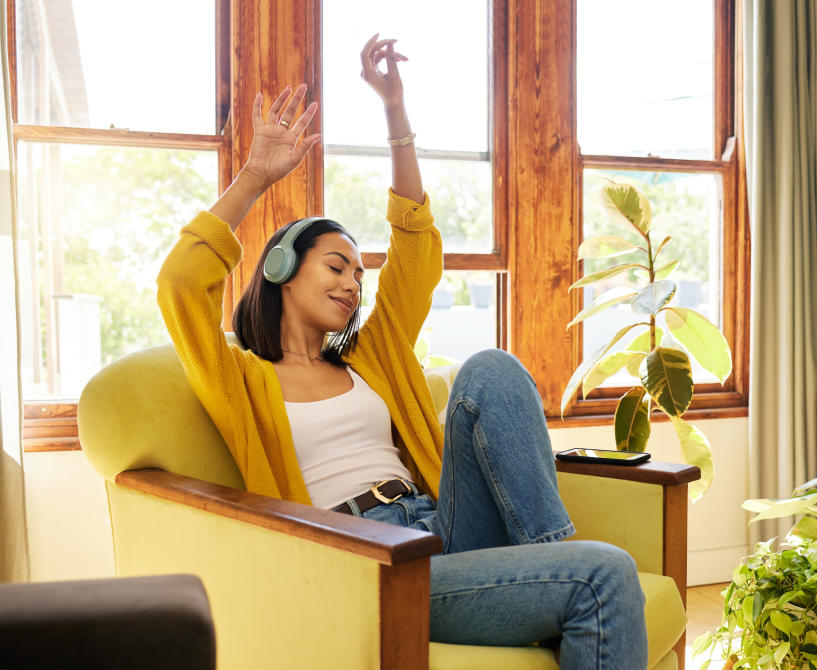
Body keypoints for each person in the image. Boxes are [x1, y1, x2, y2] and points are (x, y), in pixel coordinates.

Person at [157, 34, 647, 669]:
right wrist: (256, 175)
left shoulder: (370, 357)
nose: (352, 282)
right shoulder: (241, 380)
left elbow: (414, 248)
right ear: (280, 267)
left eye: (360, 274)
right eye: (336, 265)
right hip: (371, 557)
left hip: (445, 525)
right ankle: (560, 573)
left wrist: (395, 114)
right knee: (604, 575)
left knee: (491, 368)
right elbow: (181, 284)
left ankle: (546, 555)